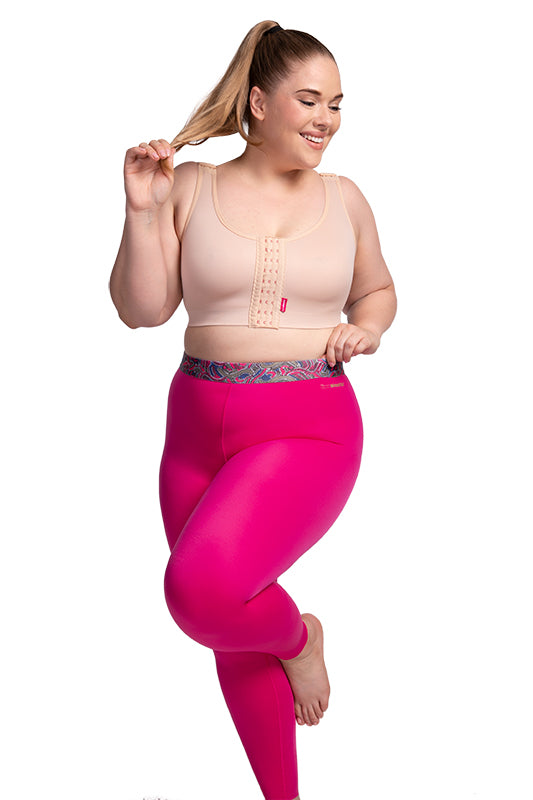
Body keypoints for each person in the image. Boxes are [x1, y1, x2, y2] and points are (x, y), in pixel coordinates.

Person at [109, 20, 396, 800]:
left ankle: (300, 639)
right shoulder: (190, 186)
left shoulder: (345, 199)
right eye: (309, 100)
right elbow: (141, 311)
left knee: (199, 592)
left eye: (336, 104)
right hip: (193, 429)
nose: (325, 119)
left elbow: (376, 288)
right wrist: (141, 213)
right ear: (259, 103)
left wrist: (367, 328)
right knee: (226, 631)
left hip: (307, 425)